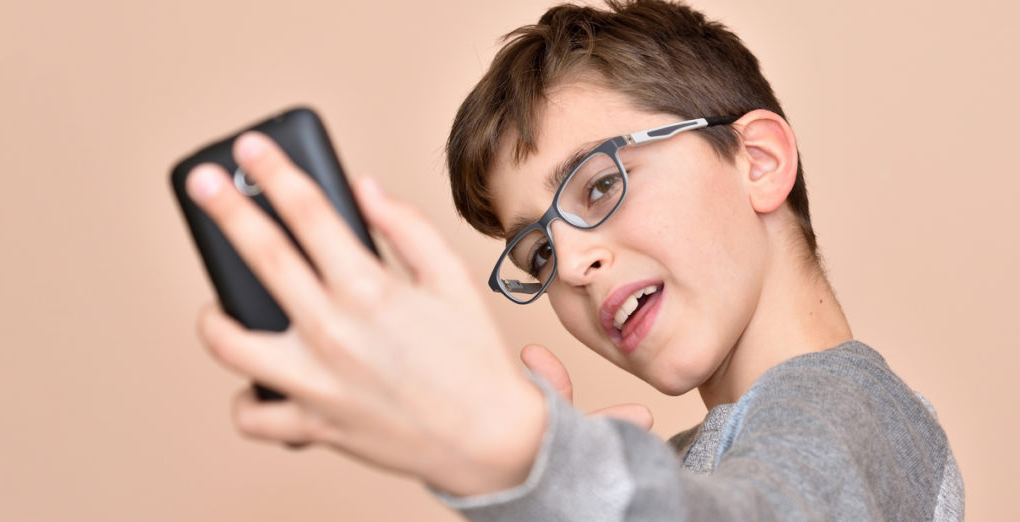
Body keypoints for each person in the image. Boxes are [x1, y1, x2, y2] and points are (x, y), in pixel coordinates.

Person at [184, 0, 963, 519]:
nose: (571, 263)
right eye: (536, 249)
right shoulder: (692, 467)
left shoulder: (852, 408)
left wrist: (515, 447)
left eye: (598, 185)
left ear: (757, 161)